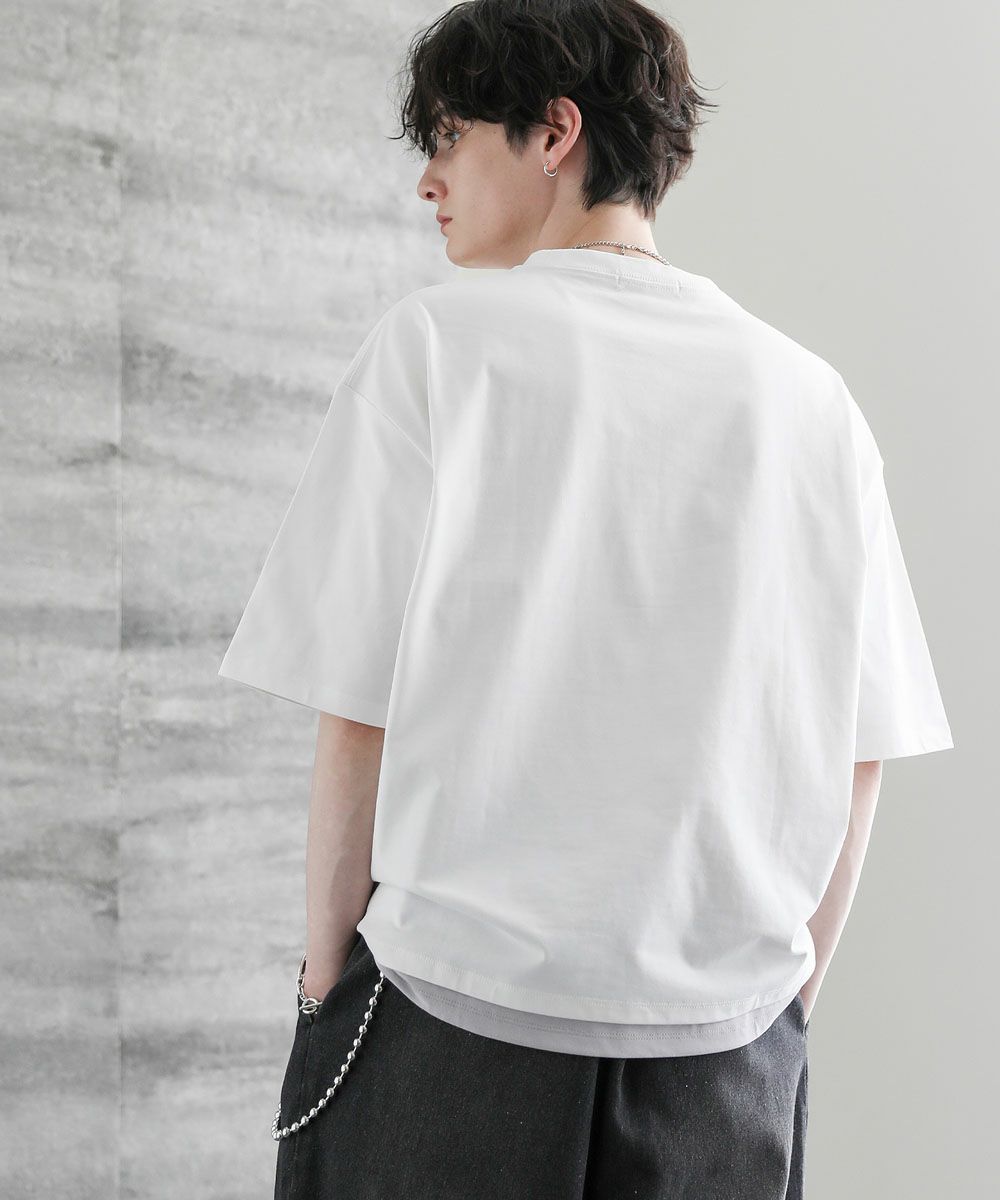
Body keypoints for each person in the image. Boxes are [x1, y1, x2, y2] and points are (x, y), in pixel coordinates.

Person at [218, 2, 954, 1196]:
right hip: (724, 1054)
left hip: (448, 1027)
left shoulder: (437, 348)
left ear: (553, 132)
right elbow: (858, 753)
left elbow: (357, 718)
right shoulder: (809, 400)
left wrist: (321, 988)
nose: (427, 180)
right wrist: (782, 1011)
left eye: (448, 137)